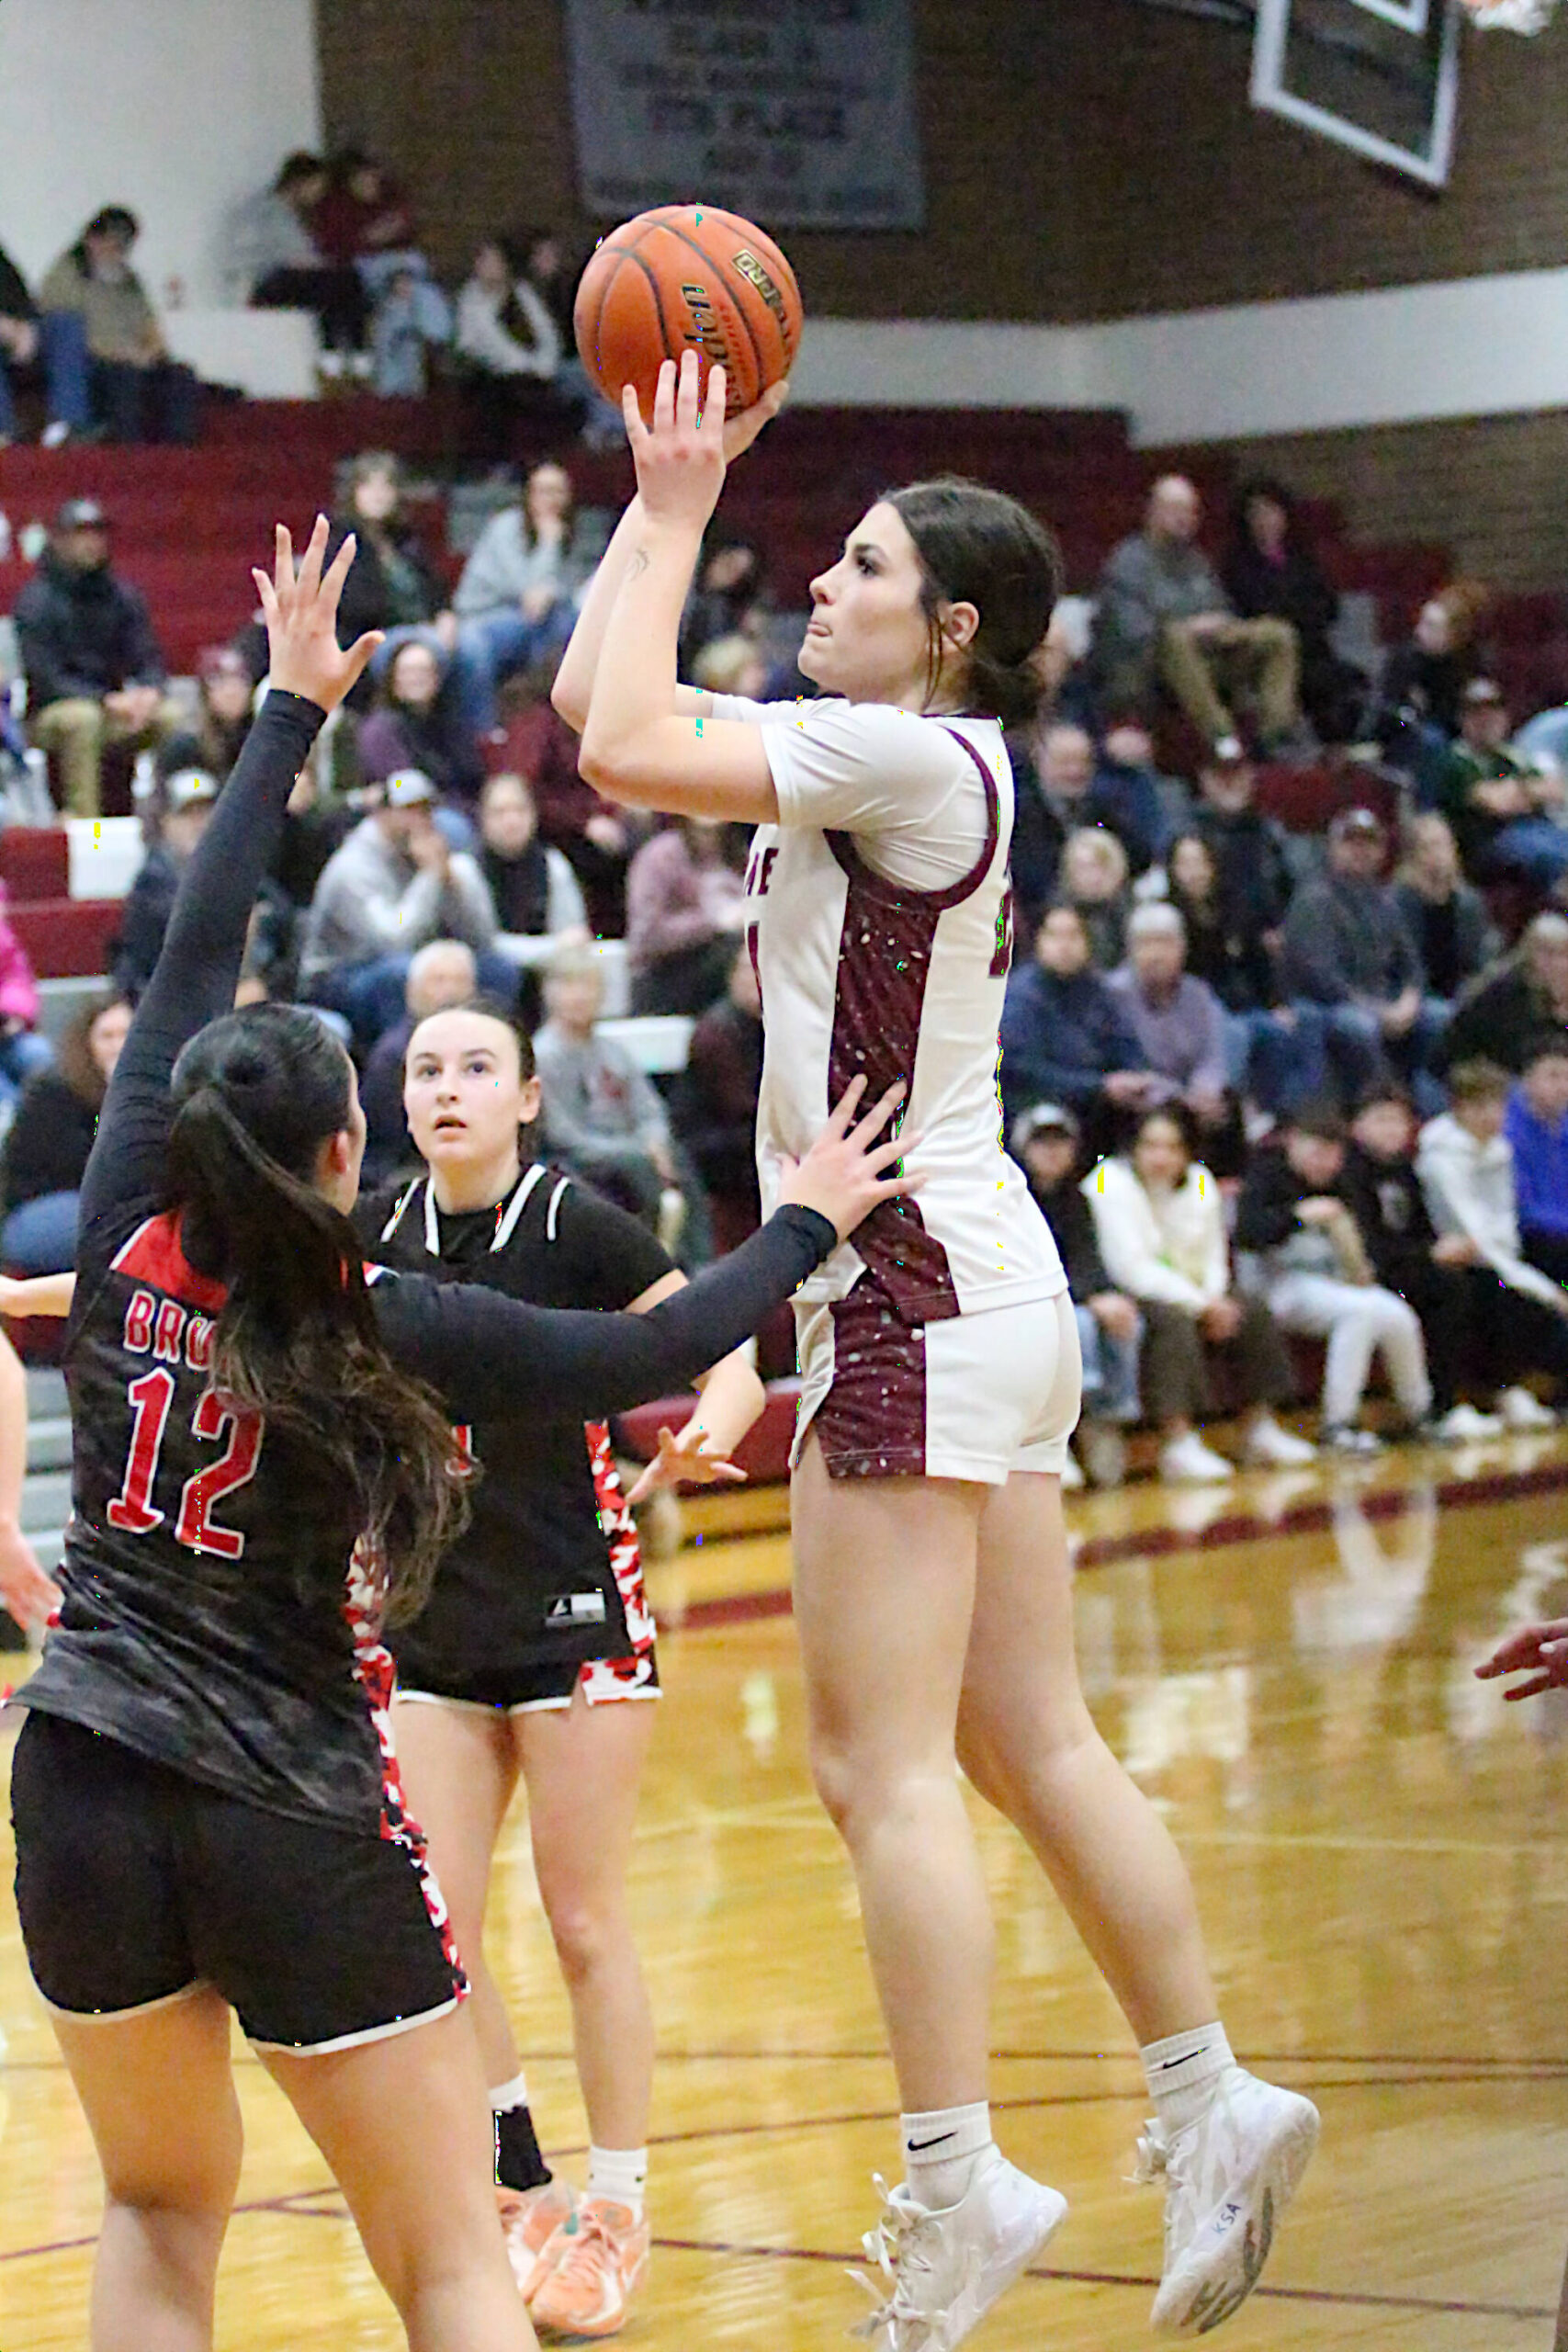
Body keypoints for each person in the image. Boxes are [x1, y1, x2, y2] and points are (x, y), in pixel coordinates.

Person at [7, 513, 910, 2352]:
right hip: (286, 1798)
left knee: (160, 2214)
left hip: (79, 1775)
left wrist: (282, 707)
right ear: (355, 1151)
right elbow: (659, 1337)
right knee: (438, 2262)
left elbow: (187, 946)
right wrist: (809, 1215)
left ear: (178, 1128)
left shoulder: (112, 1218)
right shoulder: (385, 1316)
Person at [552, 356, 1318, 2345]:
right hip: (982, 1280)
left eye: (863, 561)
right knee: (1021, 1736)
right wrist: (656, 510)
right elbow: (588, 713)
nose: (821, 578)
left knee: (873, 1763)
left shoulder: (908, 755)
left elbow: (623, 735)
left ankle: (960, 2179)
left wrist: (679, 490)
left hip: (904, 1288)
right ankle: (1208, 2095)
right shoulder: (917, 760)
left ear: (949, 627)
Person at [367, 994, 773, 2335]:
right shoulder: (372, 1231)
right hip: (433, 1620)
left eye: (477, 1066)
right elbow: (205, 1278)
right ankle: (516, 2179)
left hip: (572, 1611)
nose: (448, 1087)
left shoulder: (572, 1221)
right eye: (426, 1068)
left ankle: (616, 2207)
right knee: (439, 1931)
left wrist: (714, 1416)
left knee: (583, 1919)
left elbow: (724, 1354)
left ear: (527, 1096)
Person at [1085, 1105, 1312, 1483]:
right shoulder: (1107, 1182)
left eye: (1172, 1147)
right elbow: (1131, 1267)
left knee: (1251, 1307)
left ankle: (1260, 1428)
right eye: (1151, 1146)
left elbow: (1214, 1253)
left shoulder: (1202, 1181)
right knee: (1171, 1322)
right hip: (1131, 1290)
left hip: (1197, 1289)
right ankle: (1178, 1441)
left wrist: (1215, 1297)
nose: (1161, 1157)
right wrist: (1202, 1304)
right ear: (1133, 1148)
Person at [1235, 1106, 1432, 1453]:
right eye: (1317, 1153)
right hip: (1275, 1286)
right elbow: (1248, 1234)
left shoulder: (1342, 1184)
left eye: (1333, 1156)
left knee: (1397, 1314)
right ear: (1294, 1144)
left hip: (1330, 1283)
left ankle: (1418, 1413)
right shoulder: (1264, 1174)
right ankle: (1338, 1423)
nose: (1324, 1164)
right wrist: (1297, 1216)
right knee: (1358, 1313)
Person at [1338, 1084, 1505, 1442]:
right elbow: (1372, 1244)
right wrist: (1429, 1253)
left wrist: (1442, 1247)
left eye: (1399, 1121)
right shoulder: (1350, 1173)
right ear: (1356, 1127)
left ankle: (1497, 1390)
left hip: (1411, 1263)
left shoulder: (1404, 1169)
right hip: (1373, 1270)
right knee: (1447, 1288)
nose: (1392, 1129)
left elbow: (1423, 1230)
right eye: (1381, 1120)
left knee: (1487, 1281)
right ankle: (1439, 1407)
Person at [1091, 474, 1300, 756]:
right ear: (1154, 512)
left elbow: (1223, 610)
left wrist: (1220, 626)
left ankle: (1274, 734)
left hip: (1209, 654)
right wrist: (1191, 628)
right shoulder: (1127, 562)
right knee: (1174, 638)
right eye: (1176, 509)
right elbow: (1132, 631)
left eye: (1190, 511)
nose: (1185, 518)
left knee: (1277, 633)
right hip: (1147, 665)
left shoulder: (1196, 561)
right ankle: (1222, 737)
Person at [1416, 1059, 1568, 1424]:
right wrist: (1546, 1291)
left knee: (1521, 1290)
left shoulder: (1499, 1150)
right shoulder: (1440, 1159)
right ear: (1459, 1109)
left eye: (1497, 1105)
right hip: (1449, 1260)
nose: (1491, 1116)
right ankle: (1469, 1398)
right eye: (1480, 1106)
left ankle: (1513, 1388)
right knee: (1501, 1292)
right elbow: (1472, 1232)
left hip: (1493, 1257)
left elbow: (1505, 1231)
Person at [14, 497, 181, 817]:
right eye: (81, 534)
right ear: (60, 540)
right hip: (52, 713)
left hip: (114, 709)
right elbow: (47, 678)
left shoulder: (123, 596)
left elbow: (148, 658)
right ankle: (86, 826)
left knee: (170, 716)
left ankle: (169, 820)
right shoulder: (36, 600)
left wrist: (148, 691)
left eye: (97, 534)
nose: (91, 543)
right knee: (82, 719)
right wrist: (106, 700)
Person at [1011, 1102, 1141, 1488]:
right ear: (1022, 1148)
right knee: (1079, 1324)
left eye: (1061, 1142)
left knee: (1127, 1320)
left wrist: (1102, 1295)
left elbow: (1090, 1261)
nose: (1052, 1151)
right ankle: (1057, 1437)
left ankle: (1106, 1420)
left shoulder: (1078, 1199)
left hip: (1069, 1294)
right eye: (1041, 1142)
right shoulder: (1008, 1198)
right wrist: (1084, 1298)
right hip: (1023, 1299)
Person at [1280, 806, 1441, 1109]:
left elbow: (1412, 965)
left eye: (1369, 843)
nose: (1360, 851)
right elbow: (1322, 979)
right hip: (1329, 1007)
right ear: (1333, 847)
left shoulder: (1385, 899)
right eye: (1351, 842)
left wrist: (1409, 999)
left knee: (1439, 1017)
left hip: (1383, 1001)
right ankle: (1382, 1105)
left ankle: (1430, 1107)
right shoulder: (1313, 900)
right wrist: (1381, 1011)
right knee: (1360, 1027)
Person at [532, 947, 695, 1242]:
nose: (580, 996)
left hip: (629, 1150)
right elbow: (562, 1135)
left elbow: (649, 1109)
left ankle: (698, 1260)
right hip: (578, 1158)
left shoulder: (612, 1052)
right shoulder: (542, 1057)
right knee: (638, 1165)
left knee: (677, 1154)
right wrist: (636, 1150)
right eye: (569, 986)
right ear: (549, 993)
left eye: (588, 985)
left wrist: (654, 1141)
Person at [1164, 830, 1325, 1118]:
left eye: (1201, 862)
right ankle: (1228, 1114)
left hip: (1247, 1003)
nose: (1195, 872)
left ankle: (1286, 1113)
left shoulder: (1235, 908)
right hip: (1200, 1008)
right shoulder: (1169, 918)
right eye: (1185, 864)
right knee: (1235, 1032)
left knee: (1296, 1023)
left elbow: (1257, 963)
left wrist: (1276, 1003)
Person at [38, 207, 198, 444]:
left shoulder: (130, 281)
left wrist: (149, 352)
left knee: (181, 375)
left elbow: (150, 326)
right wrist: (119, 354)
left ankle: (179, 449)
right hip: (96, 361)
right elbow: (66, 335)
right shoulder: (66, 274)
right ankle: (128, 450)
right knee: (123, 377)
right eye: (114, 242)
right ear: (93, 240)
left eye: (125, 244)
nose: (119, 251)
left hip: (134, 358)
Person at [998, 902, 1155, 1143]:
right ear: (1038, 941)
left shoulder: (1099, 992)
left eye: (1074, 935)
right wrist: (1098, 1086)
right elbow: (1024, 1071)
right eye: (1055, 936)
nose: (1065, 946)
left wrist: (1135, 1078)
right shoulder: (1020, 996)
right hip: (1036, 1107)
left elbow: (1127, 1047)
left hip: (1098, 1110)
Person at [1222, 478, 1361, 744]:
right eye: (1257, 513)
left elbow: (1328, 605)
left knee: (1351, 683)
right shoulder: (1238, 565)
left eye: (1272, 511)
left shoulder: (1302, 559)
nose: (1266, 520)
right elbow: (1255, 609)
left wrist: (1301, 613)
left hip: (1314, 647)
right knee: (1314, 683)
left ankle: (1341, 748)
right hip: (1272, 654)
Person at [455, 465, 591, 737]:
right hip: (486, 615)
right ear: (528, 495)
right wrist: (549, 544)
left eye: (558, 491)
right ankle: (486, 734)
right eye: (542, 491)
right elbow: (529, 594)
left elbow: (565, 592)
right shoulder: (507, 526)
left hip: (530, 621)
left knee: (571, 624)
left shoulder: (570, 532)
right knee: (475, 648)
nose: (550, 499)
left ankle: (551, 727)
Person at [0, 994, 130, 1273]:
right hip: (43, 1205)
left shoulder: (156, 1089)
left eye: (127, 1035)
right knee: (118, 1227)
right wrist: (115, 1101)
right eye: (107, 1036)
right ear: (86, 1044)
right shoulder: (54, 1091)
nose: (118, 1045)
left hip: (104, 1202)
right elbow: (85, 1168)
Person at [1105, 903, 1238, 1169]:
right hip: (1143, 1098)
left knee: (1229, 1110)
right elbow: (1125, 1063)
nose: (1156, 955)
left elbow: (1213, 1053)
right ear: (1130, 950)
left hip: (1193, 1099)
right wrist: (1179, 1095)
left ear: (1182, 948)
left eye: (1165, 943)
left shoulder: (1197, 994)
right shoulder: (1112, 995)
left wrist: (1206, 1089)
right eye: (1146, 944)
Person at [231, 152, 370, 364]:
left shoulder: (294, 217)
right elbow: (266, 257)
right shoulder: (265, 211)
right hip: (269, 283)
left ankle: (349, 355)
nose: (318, 194)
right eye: (315, 186)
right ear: (298, 183)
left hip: (294, 278)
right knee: (338, 282)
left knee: (346, 281)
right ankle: (338, 357)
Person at [359, 941, 479, 1184]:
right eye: (439, 980)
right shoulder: (393, 1056)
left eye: (460, 981)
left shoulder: (486, 1050)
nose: (451, 991)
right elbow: (387, 1140)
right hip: (404, 1168)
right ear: (412, 991)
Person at [672, 944, 764, 1254]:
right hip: (717, 1147)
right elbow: (738, 1107)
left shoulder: (776, 1027)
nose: (755, 978)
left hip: (749, 1134)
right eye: (746, 969)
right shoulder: (715, 1033)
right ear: (730, 976)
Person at [476, 771, 589, 1023]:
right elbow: (486, 943)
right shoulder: (468, 869)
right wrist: (551, 948)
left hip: (546, 967)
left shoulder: (552, 863)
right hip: (491, 977)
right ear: (483, 819)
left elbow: (573, 935)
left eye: (520, 810)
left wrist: (560, 948)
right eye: (500, 812)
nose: (512, 820)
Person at [1436, 677, 1568, 891]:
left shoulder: (1510, 756)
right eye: (1477, 713)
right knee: (1545, 852)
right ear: (1463, 718)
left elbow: (1555, 790)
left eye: (1493, 712)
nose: (1487, 720)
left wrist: (1517, 792)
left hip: (1534, 830)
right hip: (1485, 843)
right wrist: (1528, 792)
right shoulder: (1455, 760)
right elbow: (1496, 804)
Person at [454, 237, 575, 458]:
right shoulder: (470, 299)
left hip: (534, 372)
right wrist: (525, 367)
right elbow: (489, 344)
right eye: (486, 262)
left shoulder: (522, 294)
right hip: (488, 375)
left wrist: (543, 366)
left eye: (496, 262)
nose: (492, 268)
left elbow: (546, 333)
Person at [112, 767, 221, 999]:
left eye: (206, 812)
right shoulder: (150, 885)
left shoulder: (241, 871)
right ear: (166, 822)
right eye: (187, 814)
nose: (199, 823)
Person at [625, 816, 748, 1015]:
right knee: (734, 952)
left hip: (723, 969)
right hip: (662, 976)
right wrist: (712, 922)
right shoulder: (660, 856)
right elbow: (647, 935)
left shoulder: (735, 854)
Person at [356, 637, 486, 802]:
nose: (416, 679)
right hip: (410, 813)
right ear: (393, 679)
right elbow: (396, 783)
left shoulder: (452, 721)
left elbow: (470, 773)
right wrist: (401, 786)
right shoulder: (380, 729)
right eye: (408, 672)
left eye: (424, 671)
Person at [1392, 813, 1496, 1009]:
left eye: (1443, 845)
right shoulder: (1399, 901)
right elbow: (1404, 963)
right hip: (1414, 995)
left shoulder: (1468, 902)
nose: (1438, 854)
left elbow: (1479, 956)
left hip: (1459, 991)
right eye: (1428, 847)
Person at [1444, 910, 1568, 1073]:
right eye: (1545, 953)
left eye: (1562, 954)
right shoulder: (1503, 990)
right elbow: (1515, 1051)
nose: (1555, 963)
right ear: (1528, 954)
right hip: (1484, 1073)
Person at [0, 239, 90, 446]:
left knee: (67, 323)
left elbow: (16, 291)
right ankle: (3, 433)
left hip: (14, 333)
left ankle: (65, 426)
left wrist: (26, 324)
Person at [1506, 1041, 1568, 1287]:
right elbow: (1521, 1207)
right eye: (1553, 1076)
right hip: (1532, 1238)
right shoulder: (1508, 1131)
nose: (1563, 1086)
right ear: (1527, 1079)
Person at [0, 883, 52, 1117]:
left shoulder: (5, 942)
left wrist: (13, 1014)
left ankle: (40, 1121)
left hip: (7, 1037)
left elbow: (17, 980)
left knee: (38, 1054)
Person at [1057, 824, 1131, 969]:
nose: (1091, 876)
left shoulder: (1130, 910)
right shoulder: (1059, 912)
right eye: (1082, 867)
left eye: (1098, 866)